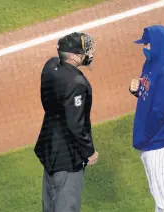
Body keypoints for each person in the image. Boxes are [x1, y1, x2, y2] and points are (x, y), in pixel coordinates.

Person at [34, 32, 99, 212]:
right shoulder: (76, 83)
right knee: (65, 205)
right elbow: (75, 125)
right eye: (83, 51)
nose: (87, 53)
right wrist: (89, 151)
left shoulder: (50, 67)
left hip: (49, 146)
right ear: (71, 56)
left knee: (49, 204)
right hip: (67, 157)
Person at [129, 25, 164, 212]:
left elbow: (160, 112)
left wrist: (145, 136)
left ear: (158, 44)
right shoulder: (152, 64)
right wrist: (136, 90)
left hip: (160, 142)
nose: (145, 48)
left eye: (147, 44)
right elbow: (150, 95)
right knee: (158, 195)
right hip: (150, 141)